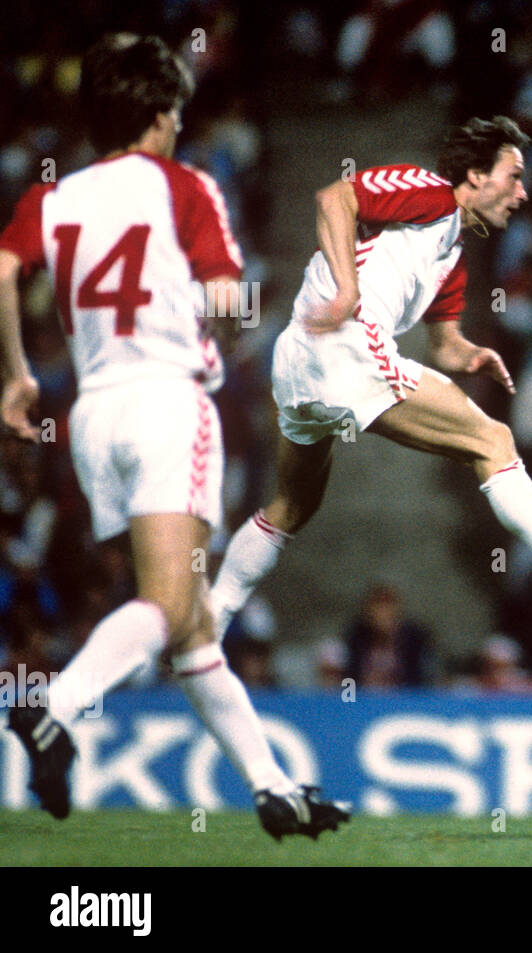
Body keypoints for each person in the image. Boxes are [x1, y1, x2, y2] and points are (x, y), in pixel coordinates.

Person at [0, 33, 349, 840]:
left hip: (95, 416)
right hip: (167, 403)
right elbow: (227, 303)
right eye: (177, 111)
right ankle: (53, 709)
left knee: (188, 623)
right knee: (166, 602)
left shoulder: (53, 198)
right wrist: (241, 329)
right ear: (161, 114)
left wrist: (17, 375)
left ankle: (274, 790)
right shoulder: (185, 186)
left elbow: (5, 270)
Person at [209, 116, 532, 645]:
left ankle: (208, 621)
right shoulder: (430, 193)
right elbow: (334, 199)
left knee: (293, 504)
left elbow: (443, 346)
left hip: (303, 365)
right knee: (493, 441)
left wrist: (472, 354)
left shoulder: (452, 256)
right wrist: (348, 289)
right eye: (512, 176)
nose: (522, 191)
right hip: (343, 343)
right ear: (473, 175)